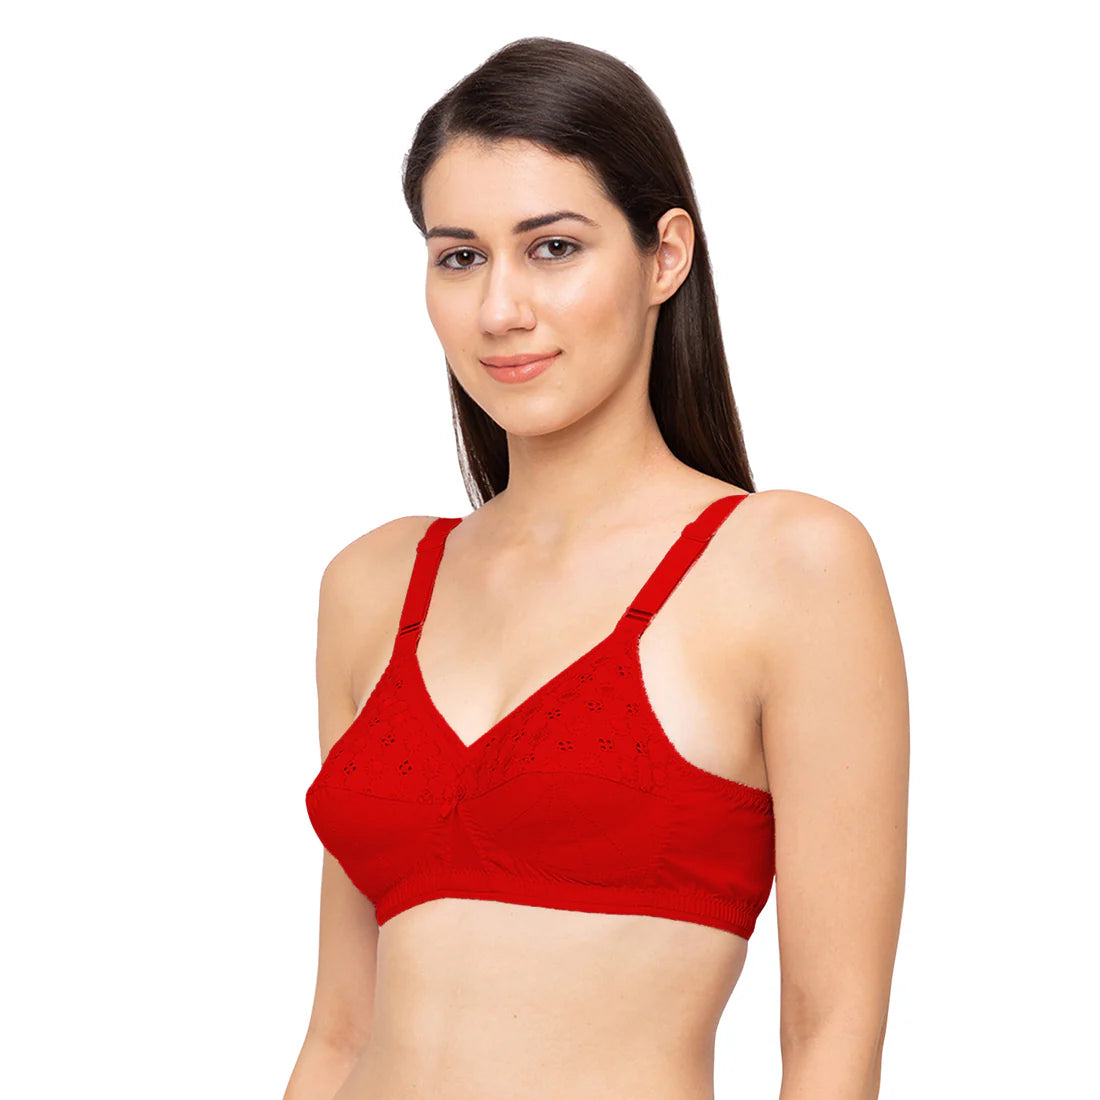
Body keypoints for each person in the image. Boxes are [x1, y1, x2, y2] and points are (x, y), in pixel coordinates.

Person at [283, 35, 908, 1100]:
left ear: (665, 256)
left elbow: (829, 1031)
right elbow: (339, 1031)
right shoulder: (373, 585)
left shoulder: (787, 565)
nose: (499, 310)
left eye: (553, 248)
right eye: (460, 257)